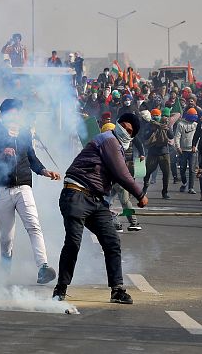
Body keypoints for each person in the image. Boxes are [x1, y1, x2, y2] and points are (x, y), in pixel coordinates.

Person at [53, 113, 148, 304]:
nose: (125, 131)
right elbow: (122, 174)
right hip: (76, 193)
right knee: (73, 243)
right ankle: (60, 289)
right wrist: (140, 194)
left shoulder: (117, 145)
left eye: (130, 131)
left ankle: (117, 290)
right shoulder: (109, 140)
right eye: (123, 126)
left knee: (112, 241)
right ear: (117, 125)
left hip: (96, 200)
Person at [0, 98, 61, 284]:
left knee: (33, 225)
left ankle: (43, 267)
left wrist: (44, 171)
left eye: (18, 113)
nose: (16, 116)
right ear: (3, 114)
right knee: (7, 237)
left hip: (23, 186)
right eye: (12, 112)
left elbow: (32, 158)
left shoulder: (24, 134)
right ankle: (5, 266)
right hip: (0, 188)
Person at [142, 108, 174, 199]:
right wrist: (152, 130)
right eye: (154, 115)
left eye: (157, 115)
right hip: (153, 152)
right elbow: (145, 136)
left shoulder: (165, 124)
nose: (156, 117)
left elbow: (171, 136)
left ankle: (165, 192)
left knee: (166, 173)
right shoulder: (149, 125)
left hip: (164, 152)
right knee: (147, 171)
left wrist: (167, 129)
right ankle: (145, 188)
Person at [174, 108, 198, 194]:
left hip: (192, 150)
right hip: (183, 150)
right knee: (182, 169)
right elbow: (177, 136)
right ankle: (184, 183)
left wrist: (195, 146)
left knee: (192, 170)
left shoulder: (196, 125)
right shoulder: (181, 124)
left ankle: (191, 188)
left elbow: (197, 137)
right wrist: (178, 147)